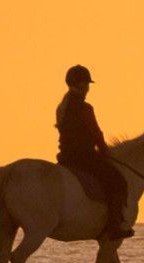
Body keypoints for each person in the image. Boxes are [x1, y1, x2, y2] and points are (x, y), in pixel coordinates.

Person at [56, 65, 131, 240]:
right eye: (87, 84)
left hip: (65, 156)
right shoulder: (85, 108)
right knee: (118, 182)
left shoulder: (62, 106)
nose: (88, 88)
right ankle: (114, 227)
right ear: (81, 85)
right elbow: (96, 134)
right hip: (84, 156)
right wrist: (105, 152)